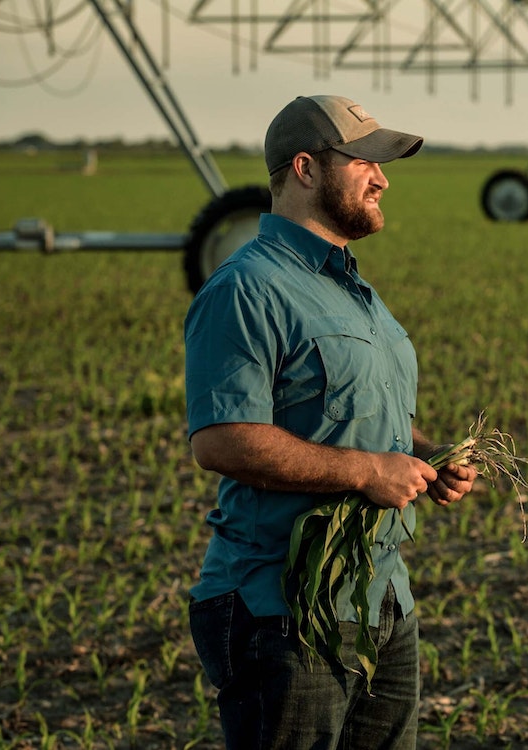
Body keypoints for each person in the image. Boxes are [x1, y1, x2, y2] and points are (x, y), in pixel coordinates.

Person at [183, 94, 477, 750]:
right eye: (366, 160)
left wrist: (426, 457)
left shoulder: (351, 288)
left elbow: (360, 410)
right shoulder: (245, 289)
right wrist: (368, 470)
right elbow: (222, 439)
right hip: (280, 608)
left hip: (380, 597)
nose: (383, 177)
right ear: (307, 169)